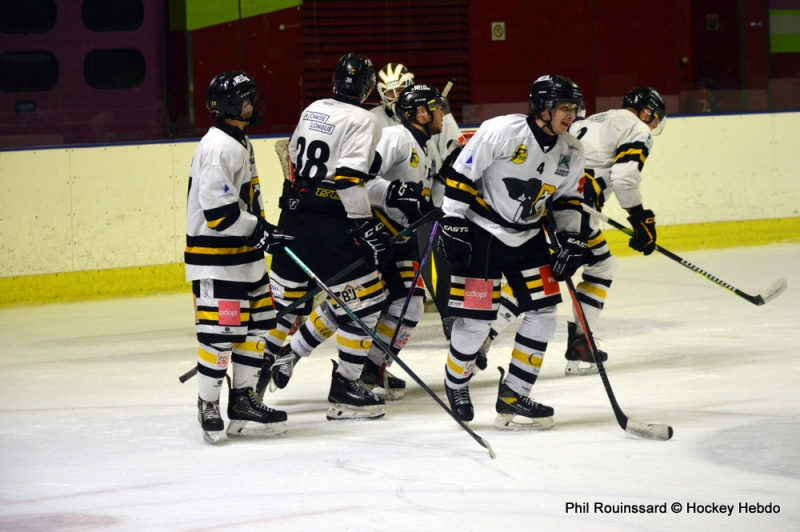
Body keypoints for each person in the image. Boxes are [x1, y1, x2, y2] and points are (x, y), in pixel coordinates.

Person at [476, 87, 667, 376]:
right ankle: (572, 346)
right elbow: (625, 178)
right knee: (560, 273)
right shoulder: (637, 128)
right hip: (574, 205)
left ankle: (578, 345)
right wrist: (640, 217)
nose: (652, 124)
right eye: (653, 118)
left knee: (586, 265)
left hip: (544, 196)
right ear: (646, 113)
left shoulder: (591, 118)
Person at [436, 75, 588, 431]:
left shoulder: (571, 150)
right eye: (565, 107)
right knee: (475, 321)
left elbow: (567, 199)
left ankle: (514, 393)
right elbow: (461, 174)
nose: (572, 115)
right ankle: (456, 385)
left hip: (529, 238)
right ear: (543, 107)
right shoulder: (501, 131)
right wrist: (453, 222)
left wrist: (571, 239)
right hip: (482, 233)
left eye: (574, 108)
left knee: (545, 313)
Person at [264, 52, 390, 421]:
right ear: (368, 88)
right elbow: (349, 179)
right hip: (330, 223)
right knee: (366, 302)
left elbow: (292, 157)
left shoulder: (313, 108)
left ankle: (249, 385)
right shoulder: (364, 119)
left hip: (292, 217)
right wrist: (365, 226)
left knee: (283, 308)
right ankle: (346, 388)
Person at [186, 71, 293, 444]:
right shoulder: (218, 147)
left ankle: (244, 399)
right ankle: (208, 402)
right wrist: (261, 228)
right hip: (217, 259)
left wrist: (262, 231)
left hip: (245, 257)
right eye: (245, 99)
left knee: (259, 326)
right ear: (229, 106)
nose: (252, 104)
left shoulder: (238, 140)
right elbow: (218, 215)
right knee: (221, 333)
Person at [361, 84, 445, 400]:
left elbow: (430, 200)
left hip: (403, 236)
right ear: (420, 113)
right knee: (362, 306)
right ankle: (289, 356)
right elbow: (364, 180)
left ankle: (373, 368)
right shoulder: (397, 137)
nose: (442, 113)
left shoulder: (430, 147)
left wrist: (447, 183)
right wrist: (395, 192)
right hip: (377, 233)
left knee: (410, 305)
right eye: (437, 107)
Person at [371, 62, 466, 339]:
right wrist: (394, 192)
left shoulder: (433, 121)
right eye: (390, 91)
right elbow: (361, 178)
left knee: (435, 265)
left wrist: (447, 173)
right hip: (379, 224)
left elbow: (449, 156)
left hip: (415, 216)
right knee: (367, 299)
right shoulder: (384, 128)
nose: (396, 95)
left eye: (401, 89)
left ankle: (449, 313)